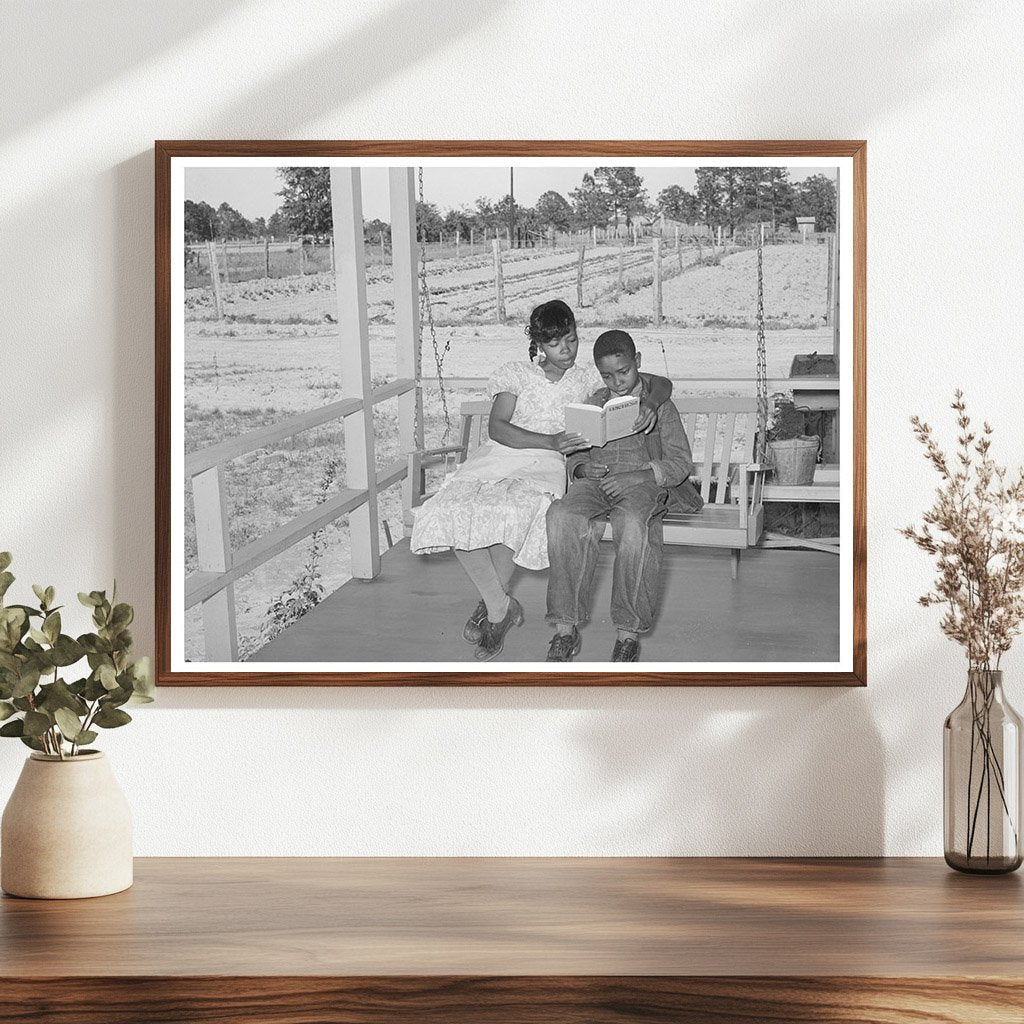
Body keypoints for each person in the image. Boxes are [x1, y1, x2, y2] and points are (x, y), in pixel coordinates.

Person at [410, 301, 672, 661]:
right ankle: (498, 605)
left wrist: (651, 404)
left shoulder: (587, 379)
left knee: (518, 511)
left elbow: (656, 382)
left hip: (547, 465)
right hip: (504, 453)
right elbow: (497, 427)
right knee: (450, 509)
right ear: (538, 345)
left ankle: (495, 607)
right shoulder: (515, 373)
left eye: (572, 339)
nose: (566, 350)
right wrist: (550, 439)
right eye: (555, 344)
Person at [544, 329, 699, 663]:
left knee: (632, 524)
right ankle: (564, 630)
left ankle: (627, 634)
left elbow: (680, 462)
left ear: (637, 362)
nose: (616, 381)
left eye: (624, 371)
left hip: (642, 482)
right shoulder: (594, 403)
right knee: (561, 516)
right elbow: (576, 455)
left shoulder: (658, 407)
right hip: (597, 483)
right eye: (607, 376)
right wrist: (583, 469)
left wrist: (638, 476)